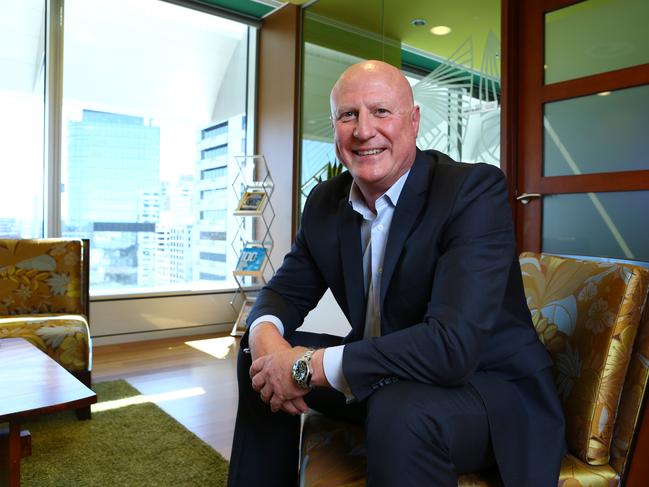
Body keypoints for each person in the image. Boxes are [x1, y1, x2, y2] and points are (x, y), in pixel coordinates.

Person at [227, 60, 566, 487]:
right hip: (386, 378)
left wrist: (305, 367)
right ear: (335, 128)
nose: (364, 130)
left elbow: (451, 347)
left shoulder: (471, 192)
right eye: (348, 115)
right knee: (256, 361)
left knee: (398, 409)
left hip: (487, 392)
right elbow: (285, 292)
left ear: (414, 120)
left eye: (381, 111)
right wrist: (265, 343)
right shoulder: (326, 202)